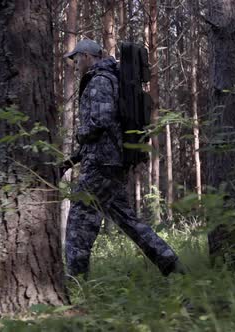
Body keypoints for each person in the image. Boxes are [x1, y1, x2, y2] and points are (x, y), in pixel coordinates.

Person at [61, 39, 186, 278]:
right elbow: (109, 130)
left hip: (101, 164)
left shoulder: (99, 80)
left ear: (87, 56)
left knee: (80, 217)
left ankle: (75, 280)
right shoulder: (113, 78)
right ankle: (172, 264)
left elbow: (101, 121)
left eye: (77, 59)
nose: (76, 65)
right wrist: (72, 160)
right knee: (127, 219)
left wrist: (80, 134)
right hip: (112, 162)